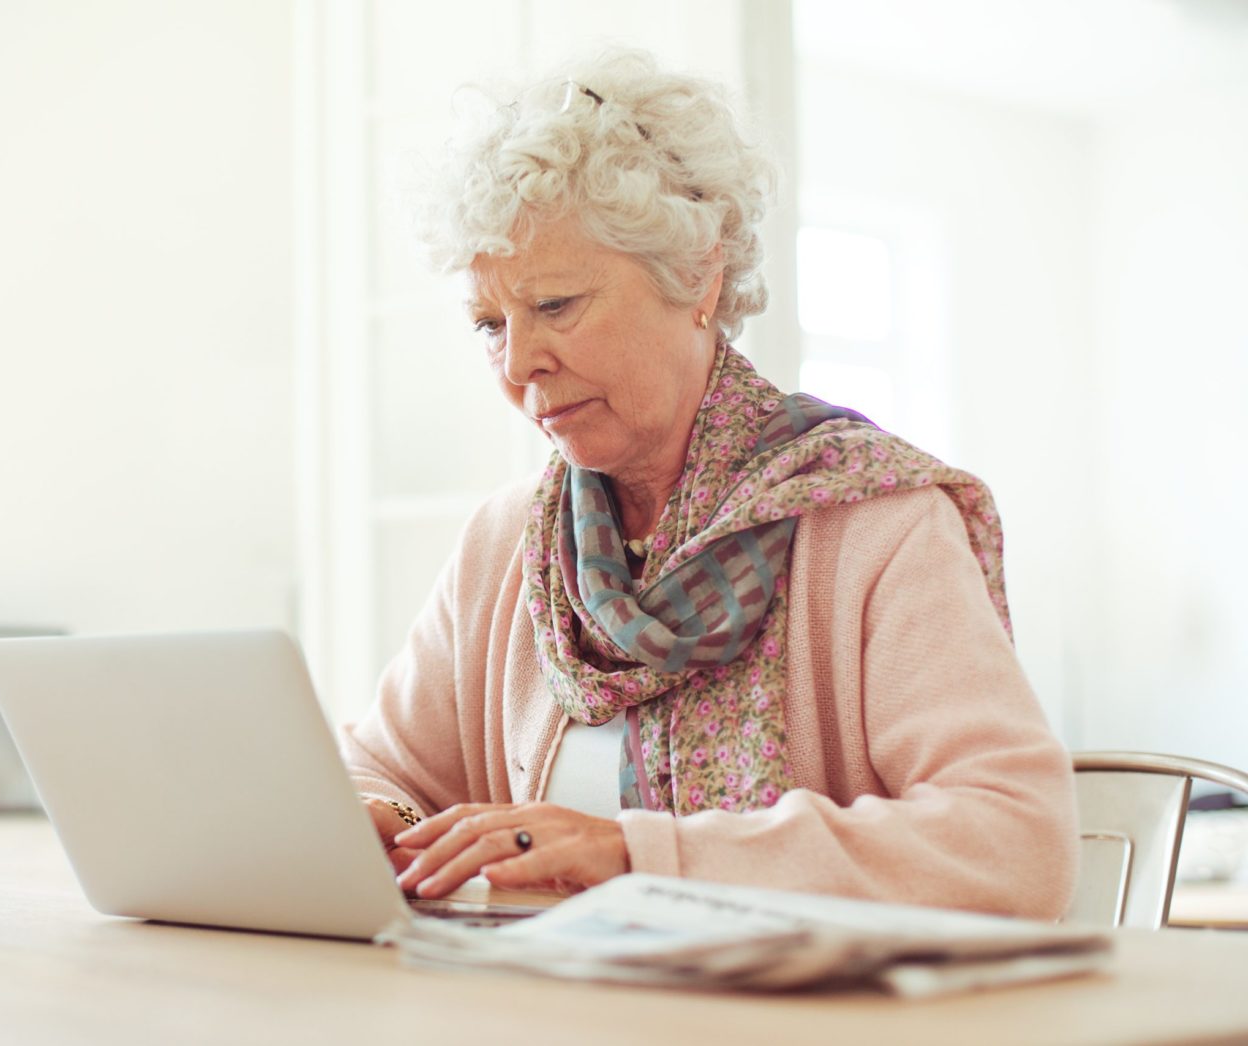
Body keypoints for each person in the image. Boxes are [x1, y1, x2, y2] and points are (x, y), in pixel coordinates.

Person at [340, 49, 1077, 919]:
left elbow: (1016, 842)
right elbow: (378, 769)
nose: (519, 362)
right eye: (490, 322)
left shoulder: (879, 523)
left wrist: (639, 855)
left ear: (698, 276)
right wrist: (384, 822)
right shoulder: (509, 543)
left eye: (557, 306)